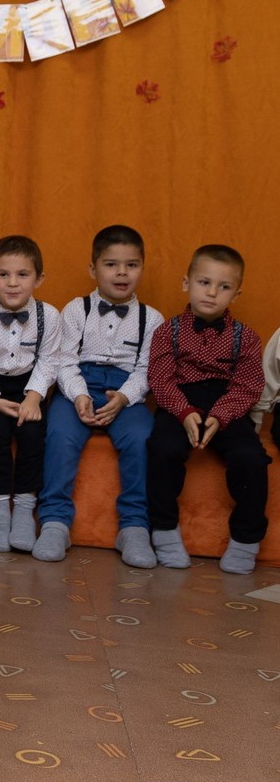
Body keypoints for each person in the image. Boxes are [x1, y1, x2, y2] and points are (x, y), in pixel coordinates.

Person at [33, 225, 164, 568]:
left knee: (142, 437)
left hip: (125, 391)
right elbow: (63, 361)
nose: (122, 273)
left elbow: (146, 370)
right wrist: (78, 396)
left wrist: (123, 398)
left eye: (131, 265)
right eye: (111, 264)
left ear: (142, 268)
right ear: (93, 269)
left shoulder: (152, 319)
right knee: (59, 434)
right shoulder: (77, 309)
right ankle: (55, 521)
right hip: (78, 384)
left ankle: (134, 527)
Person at [146, 245, 267, 573]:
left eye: (223, 286)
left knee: (251, 458)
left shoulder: (247, 338)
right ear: (187, 283)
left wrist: (220, 416)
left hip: (225, 403)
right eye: (204, 282)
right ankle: (164, 530)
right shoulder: (167, 331)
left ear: (236, 294)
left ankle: (246, 540)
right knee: (163, 448)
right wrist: (183, 412)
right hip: (178, 401)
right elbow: (160, 379)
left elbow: (248, 385)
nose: (212, 293)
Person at [0, 236, 60, 552]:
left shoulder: (49, 315)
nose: (12, 283)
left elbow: (49, 360)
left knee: (33, 433)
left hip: (28, 385)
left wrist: (34, 397)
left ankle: (24, 508)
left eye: (22, 274)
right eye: (3, 274)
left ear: (39, 278)